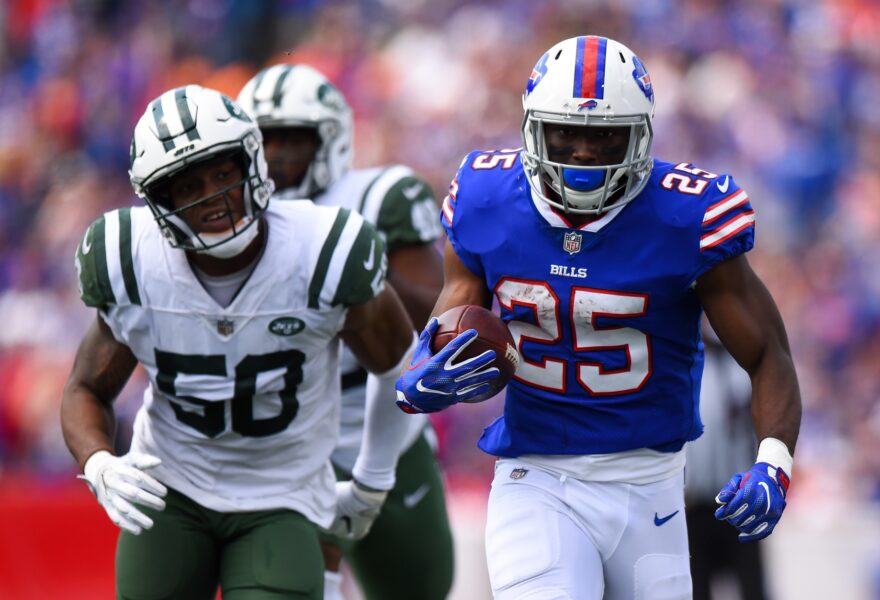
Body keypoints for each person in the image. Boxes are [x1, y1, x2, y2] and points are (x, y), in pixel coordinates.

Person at [394, 35, 802, 600]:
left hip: (651, 485)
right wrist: (420, 373)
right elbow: (450, 320)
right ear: (534, 130)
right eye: (566, 132)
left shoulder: (688, 215)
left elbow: (767, 354)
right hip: (535, 476)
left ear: (640, 135)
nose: (583, 152)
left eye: (605, 135)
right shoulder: (485, 199)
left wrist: (773, 463)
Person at [60, 84, 419, 600]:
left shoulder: (321, 248)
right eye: (188, 186)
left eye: (223, 173)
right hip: (172, 484)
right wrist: (98, 461)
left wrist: (373, 479)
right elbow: (86, 388)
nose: (212, 196)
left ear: (252, 162)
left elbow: (398, 364)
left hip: (281, 493)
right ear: (159, 201)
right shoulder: (131, 259)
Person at [236, 64, 453, 600]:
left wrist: (356, 265)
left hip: (378, 422)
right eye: (264, 140)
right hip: (281, 428)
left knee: (418, 589)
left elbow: (437, 318)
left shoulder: (380, 196)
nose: (275, 154)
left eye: (292, 138)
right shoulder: (228, 216)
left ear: (330, 138)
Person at [685, 322, 768, 600]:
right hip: (693, 503)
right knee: (696, 588)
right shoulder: (683, 366)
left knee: (752, 586)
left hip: (738, 501)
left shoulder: (738, 366)